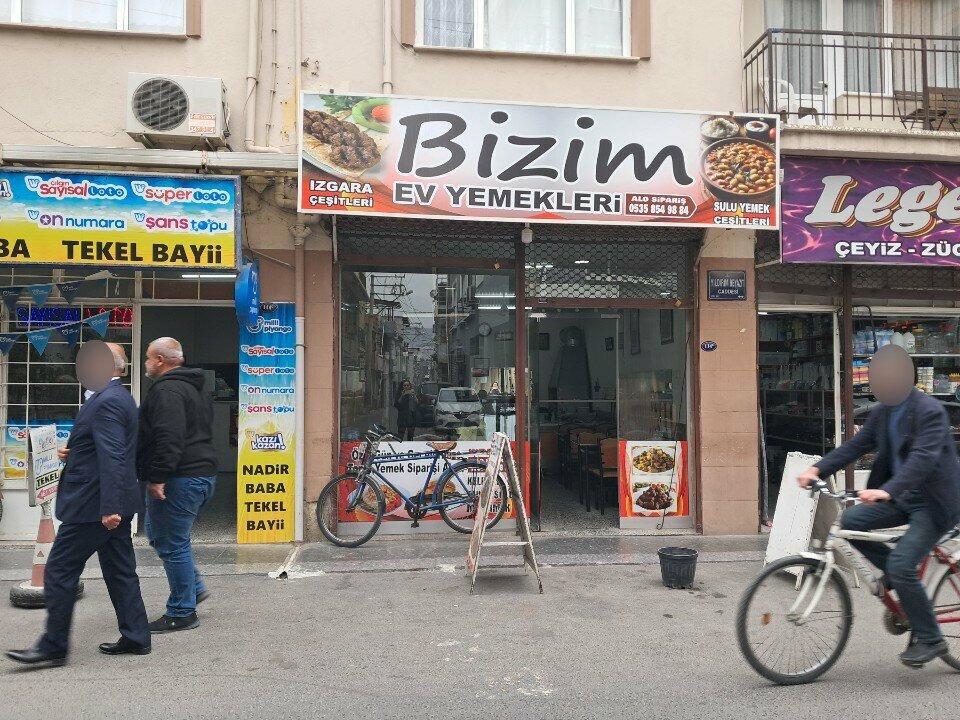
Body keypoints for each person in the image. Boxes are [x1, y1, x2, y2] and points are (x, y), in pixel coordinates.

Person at [798, 345, 960, 668]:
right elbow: (856, 446)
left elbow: (922, 460)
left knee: (901, 564)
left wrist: (886, 490)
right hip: (903, 497)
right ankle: (898, 576)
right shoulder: (884, 412)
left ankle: (931, 639)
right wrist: (817, 469)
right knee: (851, 521)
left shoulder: (929, 411)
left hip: (934, 503)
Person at [7, 342, 150, 667]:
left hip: (94, 507)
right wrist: (76, 452)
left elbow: (114, 455)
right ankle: (136, 636)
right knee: (120, 571)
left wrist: (110, 507)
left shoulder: (106, 401)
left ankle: (53, 646)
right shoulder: (117, 396)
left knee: (58, 570)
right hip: (107, 501)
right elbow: (111, 447)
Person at [139, 337, 217, 633]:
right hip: (199, 474)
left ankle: (182, 611)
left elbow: (169, 436)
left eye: (148, 357)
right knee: (161, 536)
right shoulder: (193, 386)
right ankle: (193, 588)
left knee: (172, 543)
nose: (146, 363)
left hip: (180, 478)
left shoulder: (168, 390)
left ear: (160, 360)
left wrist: (159, 476)